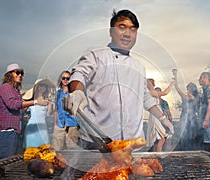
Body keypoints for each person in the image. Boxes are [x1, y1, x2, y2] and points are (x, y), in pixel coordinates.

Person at [63, 9, 174, 150]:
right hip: (97, 141)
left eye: (133, 30)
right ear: (111, 31)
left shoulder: (138, 67)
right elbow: (79, 74)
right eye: (122, 27)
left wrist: (163, 118)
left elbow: (145, 97)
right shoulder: (95, 55)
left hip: (132, 144)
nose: (127, 34)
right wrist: (77, 93)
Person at [0, 63, 49, 160]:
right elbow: (12, 104)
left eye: (21, 73)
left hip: (14, 132)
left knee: (12, 161)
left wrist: (23, 116)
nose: (20, 75)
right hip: (6, 132)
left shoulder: (15, 91)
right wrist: (36, 102)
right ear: (9, 74)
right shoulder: (5, 87)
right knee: (5, 161)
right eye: (17, 73)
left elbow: (15, 110)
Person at [22, 78, 55, 149]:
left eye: (44, 86)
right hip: (31, 128)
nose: (42, 87)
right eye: (41, 85)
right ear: (36, 87)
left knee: (44, 151)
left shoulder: (47, 100)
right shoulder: (30, 100)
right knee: (30, 151)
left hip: (43, 128)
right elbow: (22, 111)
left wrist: (51, 104)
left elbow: (49, 113)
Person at [52, 71, 79, 151]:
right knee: (56, 148)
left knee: (72, 148)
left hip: (72, 123)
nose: (65, 80)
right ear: (61, 79)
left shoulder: (74, 92)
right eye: (64, 78)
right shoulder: (58, 93)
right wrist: (54, 124)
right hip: (59, 123)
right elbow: (56, 110)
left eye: (68, 78)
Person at [173, 69, 200, 150]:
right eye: (187, 87)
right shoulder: (184, 96)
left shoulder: (195, 97)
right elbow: (177, 87)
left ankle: (194, 151)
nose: (187, 89)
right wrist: (175, 75)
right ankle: (184, 150)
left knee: (193, 136)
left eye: (188, 87)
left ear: (192, 88)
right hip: (184, 118)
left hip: (192, 119)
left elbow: (197, 106)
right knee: (183, 135)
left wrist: (192, 98)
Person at [146, 79, 173, 152]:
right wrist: (172, 83)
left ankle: (155, 158)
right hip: (156, 116)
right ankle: (159, 157)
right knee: (162, 139)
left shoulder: (150, 92)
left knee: (157, 141)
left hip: (156, 115)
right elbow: (165, 92)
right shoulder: (151, 92)